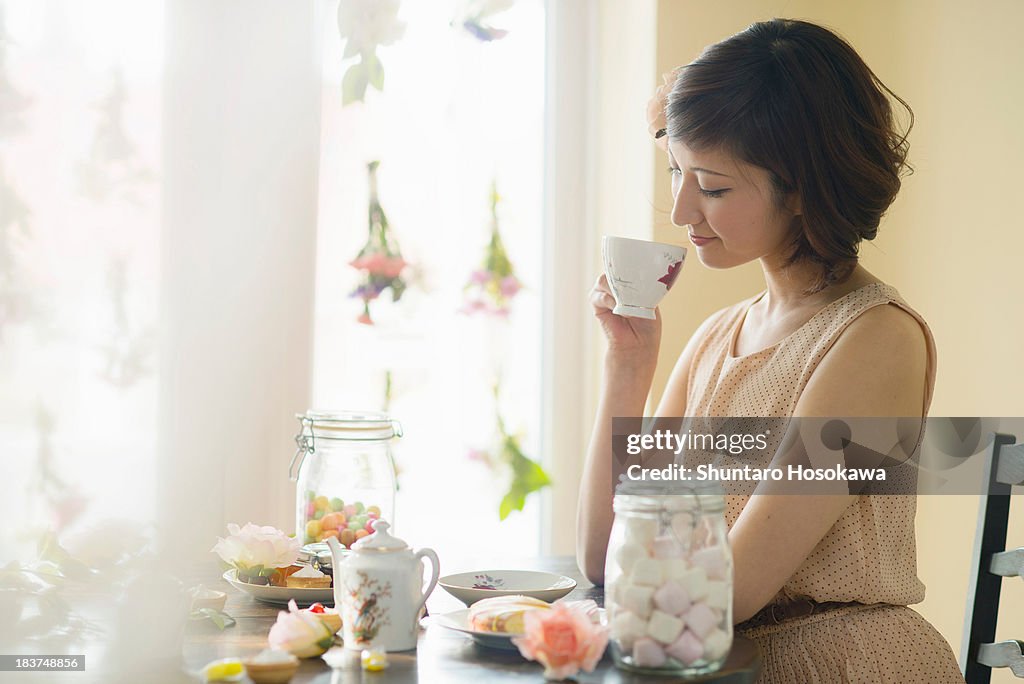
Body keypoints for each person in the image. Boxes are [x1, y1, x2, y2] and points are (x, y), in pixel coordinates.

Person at [576, 18, 965, 683]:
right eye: (676, 172)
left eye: (713, 186)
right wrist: (628, 367)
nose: (680, 211)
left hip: (839, 668)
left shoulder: (876, 341)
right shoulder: (715, 339)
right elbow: (602, 561)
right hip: (720, 663)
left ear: (805, 186)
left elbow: (728, 594)